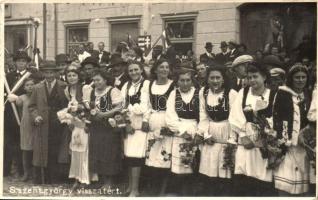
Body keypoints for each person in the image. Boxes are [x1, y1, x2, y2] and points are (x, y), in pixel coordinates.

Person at [229, 62, 276, 196]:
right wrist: (243, 136)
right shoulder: (243, 93)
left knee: (262, 179)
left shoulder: (272, 94)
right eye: (249, 77)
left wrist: (268, 134)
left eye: (255, 77)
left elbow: (276, 117)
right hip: (245, 144)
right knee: (243, 179)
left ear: (264, 77)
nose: (252, 80)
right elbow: (235, 116)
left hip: (265, 143)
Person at [197, 66, 238, 196]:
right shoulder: (203, 92)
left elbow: (235, 118)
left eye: (218, 77)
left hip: (227, 131)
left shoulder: (231, 94)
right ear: (207, 79)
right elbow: (203, 115)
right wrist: (205, 134)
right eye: (212, 78)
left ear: (223, 79)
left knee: (224, 169)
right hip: (211, 133)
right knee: (210, 171)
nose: (215, 81)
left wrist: (232, 139)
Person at [273, 63, 311, 196]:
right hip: (287, 144)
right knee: (285, 183)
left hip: (304, 144)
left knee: (303, 182)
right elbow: (279, 118)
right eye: (297, 77)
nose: (300, 80)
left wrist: (305, 133)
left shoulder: (308, 95)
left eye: (303, 77)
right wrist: (284, 141)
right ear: (291, 79)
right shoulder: (283, 94)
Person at [28, 60, 68, 184]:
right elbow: (31, 106)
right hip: (43, 123)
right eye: (47, 73)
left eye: (52, 73)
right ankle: (42, 177)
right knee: (42, 150)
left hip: (59, 123)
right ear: (43, 73)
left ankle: (55, 177)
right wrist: (35, 116)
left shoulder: (63, 86)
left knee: (56, 149)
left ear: (56, 73)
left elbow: (68, 105)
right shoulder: (37, 87)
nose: (49, 75)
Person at [61, 65, 98, 190]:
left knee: (84, 151)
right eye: (69, 75)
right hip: (74, 125)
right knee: (75, 151)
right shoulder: (66, 90)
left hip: (84, 123)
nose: (71, 78)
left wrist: (87, 123)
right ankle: (76, 177)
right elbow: (68, 108)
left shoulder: (85, 88)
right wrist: (69, 120)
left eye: (74, 75)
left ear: (79, 76)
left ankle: (85, 179)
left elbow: (90, 106)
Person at [165, 63, 200, 196]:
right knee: (179, 163)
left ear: (192, 81)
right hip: (179, 131)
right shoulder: (174, 94)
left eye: (188, 80)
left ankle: (192, 192)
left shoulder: (198, 93)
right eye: (182, 80)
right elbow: (170, 116)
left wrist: (198, 132)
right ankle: (180, 192)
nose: (185, 83)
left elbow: (203, 115)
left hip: (195, 130)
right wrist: (181, 131)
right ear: (177, 81)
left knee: (193, 162)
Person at [88, 69, 123, 188]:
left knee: (109, 153)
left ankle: (109, 181)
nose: (96, 82)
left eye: (98, 80)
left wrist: (104, 114)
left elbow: (119, 107)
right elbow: (90, 108)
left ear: (105, 80)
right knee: (97, 152)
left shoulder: (113, 91)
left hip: (109, 127)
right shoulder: (93, 92)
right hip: (96, 127)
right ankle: (102, 180)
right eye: (94, 80)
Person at [145, 58, 175, 196]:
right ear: (155, 69)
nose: (164, 70)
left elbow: (175, 106)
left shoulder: (173, 85)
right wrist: (146, 119)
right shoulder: (150, 84)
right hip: (153, 120)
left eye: (166, 67)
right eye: (161, 67)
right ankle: (153, 187)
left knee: (165, 156)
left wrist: (170, 124)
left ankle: (163, 190)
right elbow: (148, 105)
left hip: (167, 121)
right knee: (152, 154)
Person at [120, 60, 150, 197]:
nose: (133, 73)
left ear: (141, 70)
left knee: (137, 157)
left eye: (136, 69)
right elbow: (121, 107)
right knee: (129, 156)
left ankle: (135, 189)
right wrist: (126, 123)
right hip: (129, 125)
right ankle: (130, 186)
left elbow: (148, 106)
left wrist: (145, 120)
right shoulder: (126, 86)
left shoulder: (147, 85)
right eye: (131, 70)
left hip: (140, 126)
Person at [4, 50, 32, 178]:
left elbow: (32, 91)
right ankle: (5, 169)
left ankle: (22, 170)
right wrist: (6, 96)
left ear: (27, 63)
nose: (21, 63)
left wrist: (18, 97)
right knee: (8, 141)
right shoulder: (8, 76)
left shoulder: (31, 75)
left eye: (24, 61)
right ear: (15, 62)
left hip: (23, 112)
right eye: (19, 61)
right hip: (10, 113)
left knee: (23, 143)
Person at [7, 78, 37, 182]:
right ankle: (26, 173)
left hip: (37, 126)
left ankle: (35, 173)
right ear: (24, 87)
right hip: (26, 126)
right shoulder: (22, 98)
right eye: (27, 85)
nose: (30, 87)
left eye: (32, 84)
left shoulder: (38, 97)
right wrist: (13, 98)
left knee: (36, 150)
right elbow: (18, 106)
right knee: (26, 150)